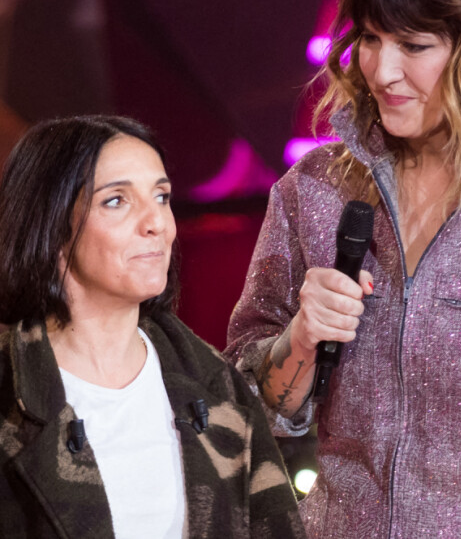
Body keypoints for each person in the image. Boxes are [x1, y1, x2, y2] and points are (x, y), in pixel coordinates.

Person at [224, 0, 461, 536]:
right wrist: (302, 338)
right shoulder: (312, 189)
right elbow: (243, 414)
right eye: (369, 37)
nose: (381, 70)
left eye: (413, 45)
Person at [0, 116, 306, 539]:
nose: (156, 223)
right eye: (116, 201)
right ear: (50, 224)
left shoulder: (217, 387)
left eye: (161, 197)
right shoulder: (7, 390)